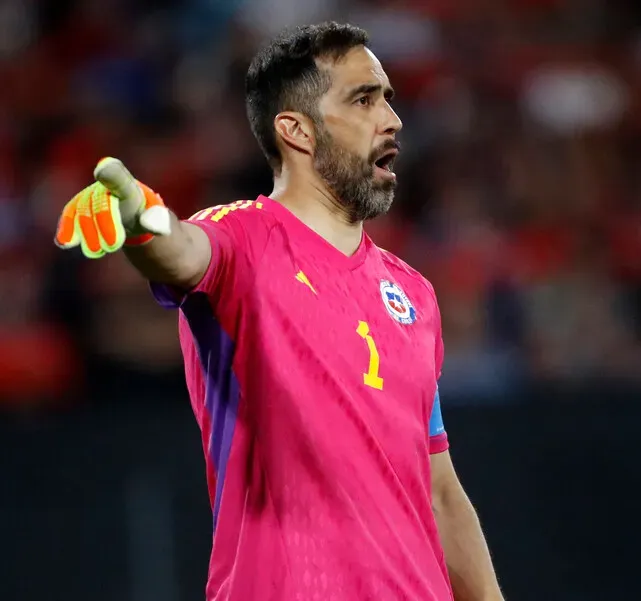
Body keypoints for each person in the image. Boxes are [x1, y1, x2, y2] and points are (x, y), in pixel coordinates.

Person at [55, 21, 503, 601]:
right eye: (364, 99)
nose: (392, 119)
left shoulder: (413, 293)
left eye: (388, 99)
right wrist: (141, 220)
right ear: (297, 130)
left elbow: (439, 491)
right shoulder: (243, 240)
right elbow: (181, 250)